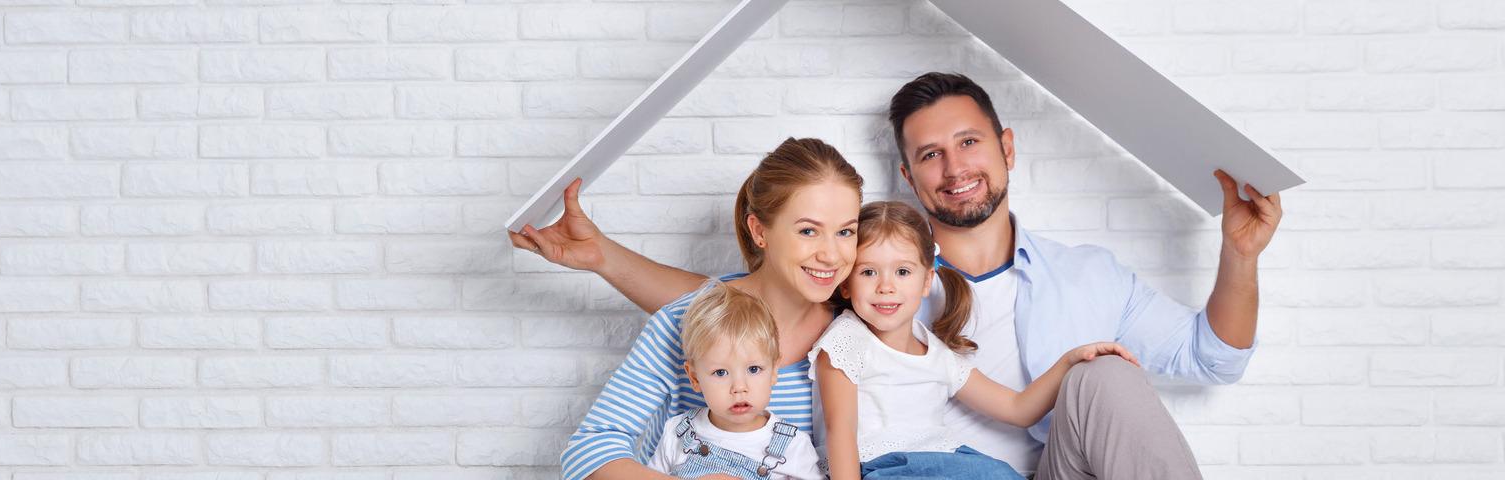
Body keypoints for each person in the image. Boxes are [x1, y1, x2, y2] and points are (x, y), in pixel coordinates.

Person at [512, 72, 1286, 479]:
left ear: (1007, 147)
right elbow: (723, 313)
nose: (837, 256)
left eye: (970, 143)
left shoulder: (1064, 280)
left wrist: (1240, 255)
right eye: (928, 154)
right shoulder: (829, 303)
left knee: (1108, 380)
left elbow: (1213, 358)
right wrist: (604, 257)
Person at [553, 138, 862, 480]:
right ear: (759, 231)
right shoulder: (684, 321)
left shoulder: (854, 334)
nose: (832, 255)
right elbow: (588, 451)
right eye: (808, 231)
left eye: (846, 231)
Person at [814, 200, 1135, 480]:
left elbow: (1017, 409)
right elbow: (840, 433)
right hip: (879, 468)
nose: (886, 286)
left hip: (941, 461)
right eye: (868, 272)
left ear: (927, 281)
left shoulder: (936, 354)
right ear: (846, 285)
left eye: (902, 272)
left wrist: (1069, 361)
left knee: (998, 474)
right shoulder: (846, 342)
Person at [647, 282, 820, 480]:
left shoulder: (793, 445)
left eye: (753, 369)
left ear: (773, 371)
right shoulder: (678, 433)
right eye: (720, 372)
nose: (739, 388)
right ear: (694, 377)